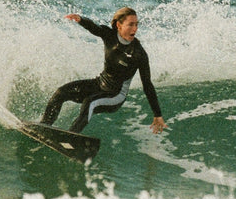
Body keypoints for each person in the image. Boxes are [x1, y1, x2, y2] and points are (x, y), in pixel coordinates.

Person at [41, 7, 168, 135]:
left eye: (136, 24)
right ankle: (43, 126)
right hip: (99, 84)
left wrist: (157, 115)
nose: (135, 29)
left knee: (89, 103)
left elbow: (147, 85)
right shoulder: (110, 35)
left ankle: (71, 136)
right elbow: (94, 28)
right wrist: (80, 19)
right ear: (119, 25)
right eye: (130, 24)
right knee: (61, 92)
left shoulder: (138, 53)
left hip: (116, 95)